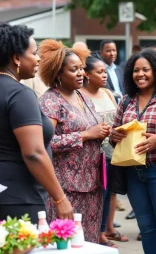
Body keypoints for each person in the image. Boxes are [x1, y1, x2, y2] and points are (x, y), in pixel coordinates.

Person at [110, 48, 156, 254]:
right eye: (135, 70)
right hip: (133, 172)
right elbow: (115, 133)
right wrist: (114, 136)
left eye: (146, 70)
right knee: (146, 228)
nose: (140, 74)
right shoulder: (127, 100)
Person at [0, 23, 73, 224]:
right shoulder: (19, 94)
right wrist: (60, 197)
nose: (39, 58)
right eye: (34, 53)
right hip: (18, 199)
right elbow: (33, 152)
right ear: (16, 58)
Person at [38, 39, 110, 243]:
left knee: (88, 241)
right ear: (58, 74)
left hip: (92, 184)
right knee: (67, 242)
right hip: (66, 187)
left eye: (81, 68)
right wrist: (86, 135)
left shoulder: (82, 96)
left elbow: (93, 128)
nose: (81, 73)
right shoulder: (50, 101)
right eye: (73, 70)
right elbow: (45, 143)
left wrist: (105, 132)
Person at [81, 56, 128, 248]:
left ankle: (101, 233)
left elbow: (117, 118)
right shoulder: (80, 96)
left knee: (107, 195)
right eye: (99, 72)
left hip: (112, 154)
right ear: (86, 74)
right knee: (93, 197)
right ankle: (87, 234)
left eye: (104, 72)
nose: (104, 75)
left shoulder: (108, 93)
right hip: (92, 156)